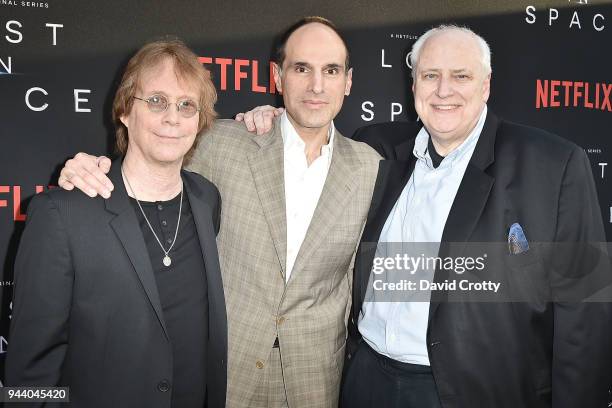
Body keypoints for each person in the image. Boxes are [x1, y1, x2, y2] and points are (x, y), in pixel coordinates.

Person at [56, 17, 380, 408]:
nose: (316, 85)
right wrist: (91, 168)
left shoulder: (371, 168)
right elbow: (149, 164)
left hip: (315, 379)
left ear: (347, 81)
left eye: (330, 71)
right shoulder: (222, 143)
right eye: (301, 68)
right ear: (277, 77)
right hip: (225, 371)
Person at [341, 25, 612, 408]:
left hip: (469, 392)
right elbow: (312, 146)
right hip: (367, 380)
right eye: (430, 75)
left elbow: (585, 311)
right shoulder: (378, 147)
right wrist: (270, 119)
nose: (443, 90)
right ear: (414, 84)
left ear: (485, 86)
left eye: (461, 76)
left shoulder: (553, 164)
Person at [5, 39, 227, 408]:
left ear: (200, 120)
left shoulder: (207, 200)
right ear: (125, 110)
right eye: (156, 100)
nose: (173, 117)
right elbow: (27, 380)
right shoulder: (62, 213)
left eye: (187, 105)